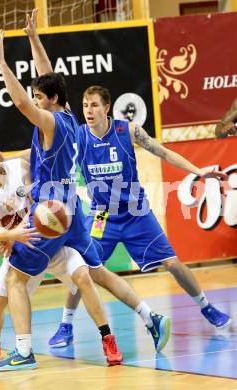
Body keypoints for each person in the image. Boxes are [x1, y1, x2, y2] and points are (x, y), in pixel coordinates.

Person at [22, 9, 232, 348]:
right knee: (83, 271)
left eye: (93, 105)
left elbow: (163, 153)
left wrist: (199, 171)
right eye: (84, 105)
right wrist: (33, 38)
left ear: (107, 107)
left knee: (173, 262)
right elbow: (47, 78)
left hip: (135, 211)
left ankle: (207, 308)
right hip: (103, 216)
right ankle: (66, 325)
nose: (87, 110)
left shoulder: (128, 131)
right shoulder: (76, 133)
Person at [0, 137, 111, 365]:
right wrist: (12, 235)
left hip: (47, 242)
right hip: (23, 249)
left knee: (84, 275)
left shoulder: (17, 168)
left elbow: (39, 154)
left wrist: (10, 159)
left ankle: (107, 337)